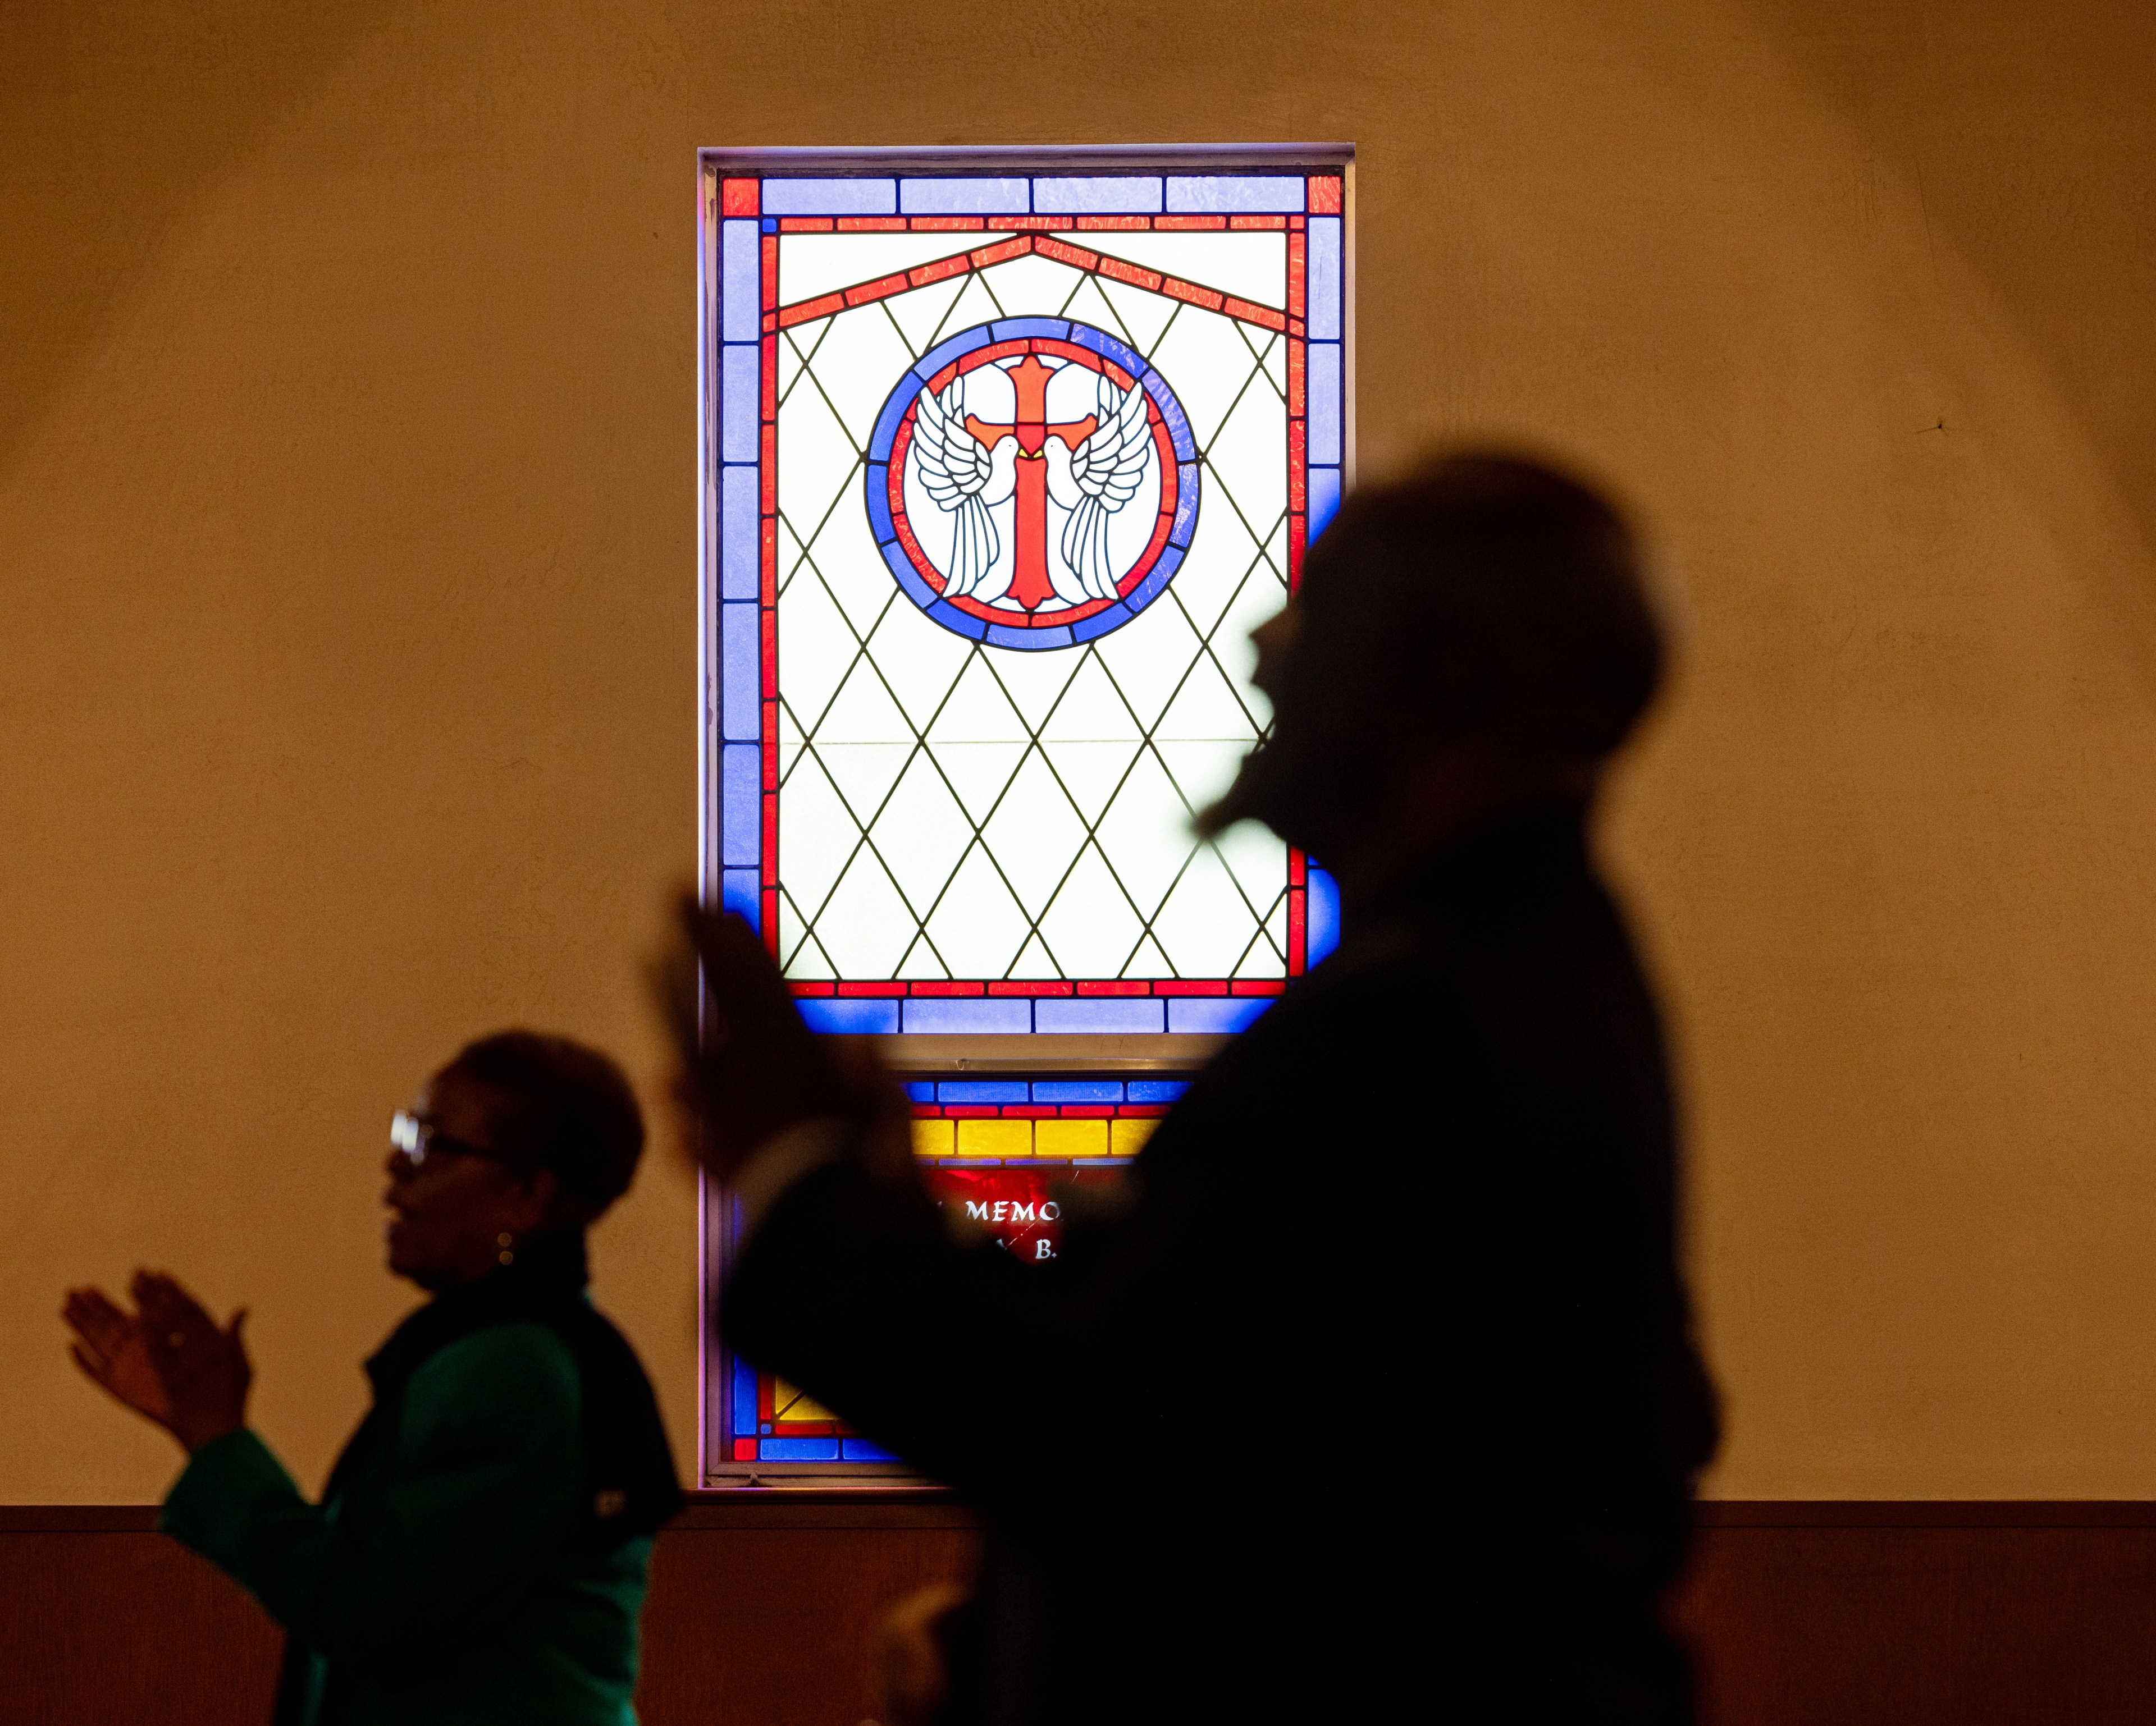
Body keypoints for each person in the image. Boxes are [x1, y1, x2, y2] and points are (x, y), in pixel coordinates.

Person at [661, 452, 1720, 1725]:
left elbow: (1113, 1438)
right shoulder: (1521, 970)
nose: (1266, 647)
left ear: (1448, 676)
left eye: (1321, 608)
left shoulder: (1414, 1021)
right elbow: (1274, 1423)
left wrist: (799, 1177)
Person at [63, 1030, 680, 1726]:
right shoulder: (503, 1347)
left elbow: (372, 1616)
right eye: (405, 1132)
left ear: (528, 1194)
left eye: (431, 1145)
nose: (395, 1164)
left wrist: (217, 1440)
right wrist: (205, 1427)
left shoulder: (515, 1372)